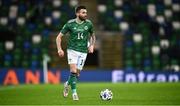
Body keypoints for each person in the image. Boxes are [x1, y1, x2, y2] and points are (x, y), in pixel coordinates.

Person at [56, 5, 96, 101]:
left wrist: (91, 45)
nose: (85, 14)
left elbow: (93, 36)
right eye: (83, 12)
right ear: (77, 13)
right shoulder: (70, 24)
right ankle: (74, 93)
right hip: (72, 50)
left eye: (86, 12)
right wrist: (59, 49)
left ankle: (67, 84)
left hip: (83, 51)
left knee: (77, 74)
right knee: (73, 71)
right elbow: (58, 37)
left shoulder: (89, 24)